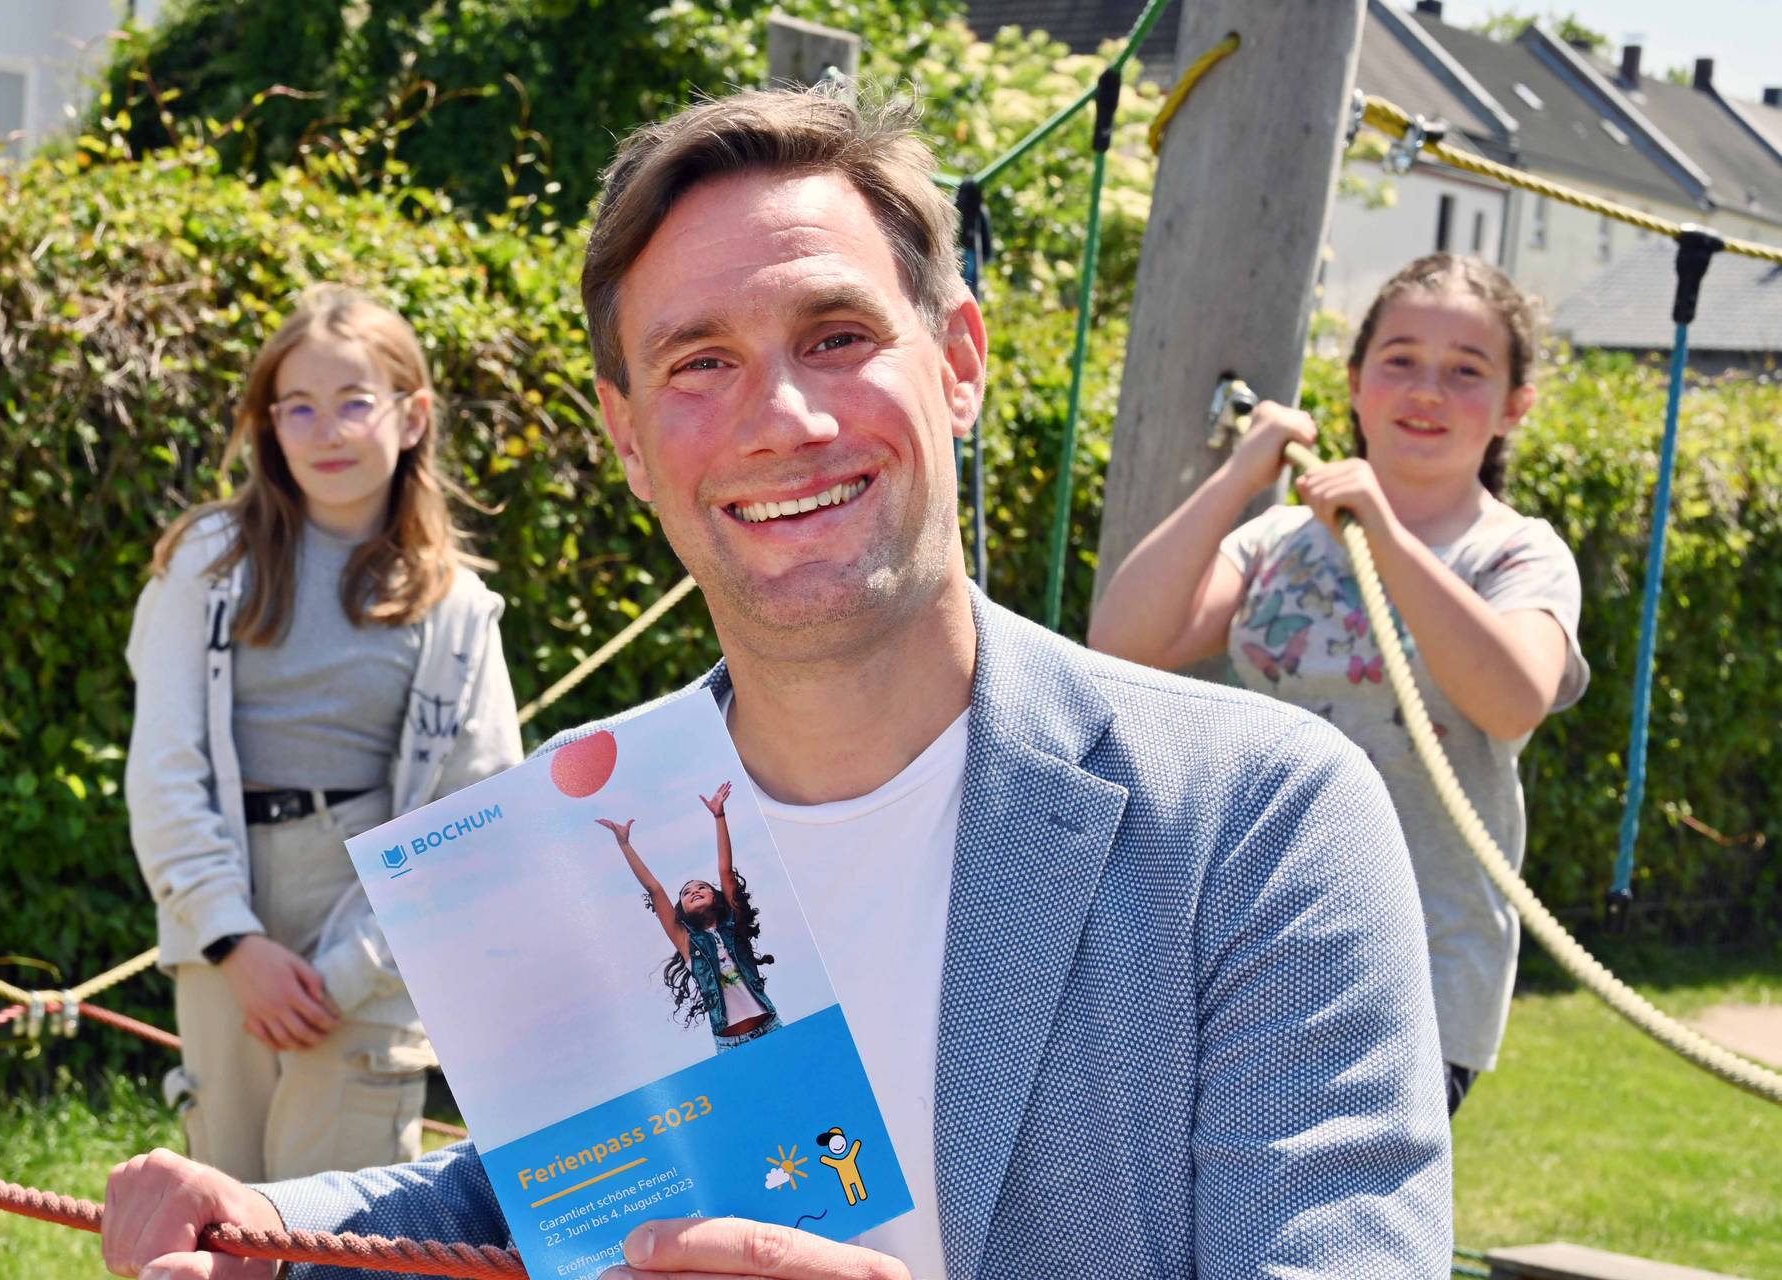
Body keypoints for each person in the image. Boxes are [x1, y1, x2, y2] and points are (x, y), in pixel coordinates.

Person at [105, 84, 1447, 1280]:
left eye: (837, 334)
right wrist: (275, 1236)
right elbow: (542, 1188)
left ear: (961, 362)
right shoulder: (586, 810)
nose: (784, 418)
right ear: (628, 438)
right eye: (700, 363)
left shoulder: (1260, 822)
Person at [1092, 252, 1587, 1114]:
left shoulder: (1517, 554)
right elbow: (1124, 642)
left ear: (1514, 409)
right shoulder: (1279, 541)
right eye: (1399, 361)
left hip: (1419, 968)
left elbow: (1514, 699)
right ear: (1356, 385)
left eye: (1465, 372)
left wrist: (1385, 534)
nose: (1426, 390)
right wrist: (1242, 475)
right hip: (1244, 945)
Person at [125, 284, 524, 1183]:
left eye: (354, 403)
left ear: (412, 416)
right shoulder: (208, 562)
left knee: (339, 1227)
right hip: (225, 924)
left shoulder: (458, 608)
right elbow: (164, 767)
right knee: (221, 1215)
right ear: (269, 424)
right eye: (297, 408)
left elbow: (476, 814)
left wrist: (349, 972)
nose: (326, 432)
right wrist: (233, 941)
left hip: (380, 940)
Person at [599, 782, 780, 1047]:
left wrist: (719, 816)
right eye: (686, 892)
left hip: (771, 1027)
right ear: (681, 910)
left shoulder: (733, 924)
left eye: (701, 887)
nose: (694, 891)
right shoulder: (687, 943)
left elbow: (725, 871)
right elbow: (654, 888)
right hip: (731, 1044)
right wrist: (625, 843)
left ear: (717, 897)